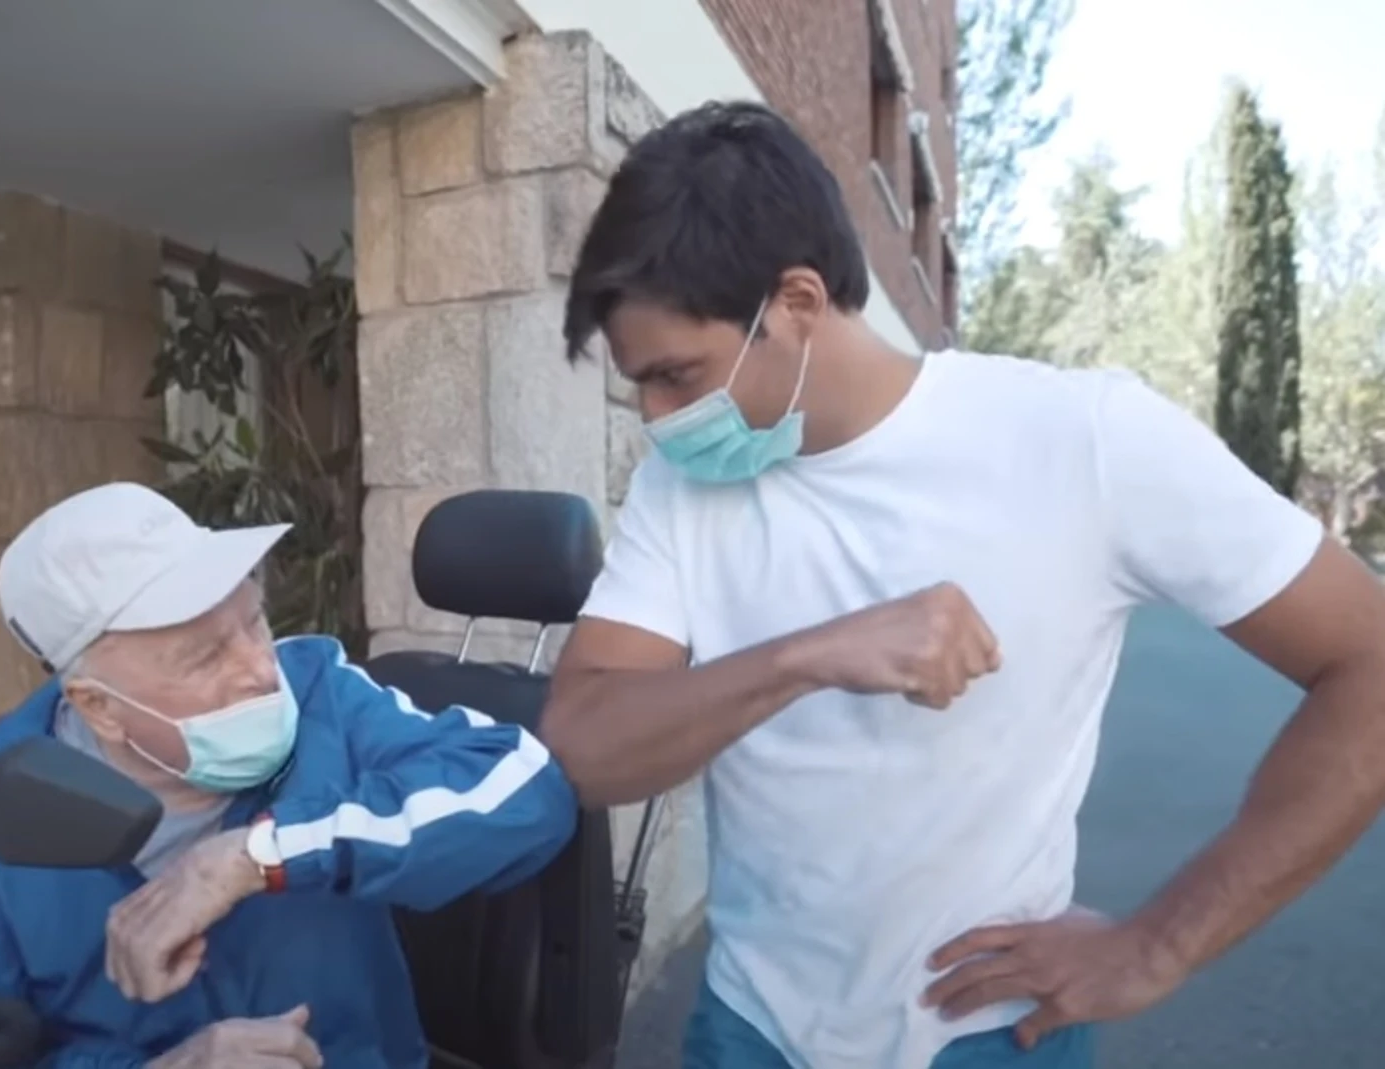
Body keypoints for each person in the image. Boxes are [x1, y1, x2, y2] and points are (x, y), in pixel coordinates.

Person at [540, 99, 1385, 1069]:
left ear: (798, 305)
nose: (656, 418)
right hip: (748, 1029)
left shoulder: (1083, 439)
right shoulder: (682, 486)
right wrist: (807, 656)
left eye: (678, 377)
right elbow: (585, 745)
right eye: (640, 384)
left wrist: (1160, 943)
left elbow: (1365, 658)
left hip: (988, 1038)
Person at [0, 482, 580, 1069]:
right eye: (204, 655)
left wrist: (260, 856)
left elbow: (529, 788)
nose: (259, 666)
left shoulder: (322, 695)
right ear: (98, 707)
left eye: (254, 620)